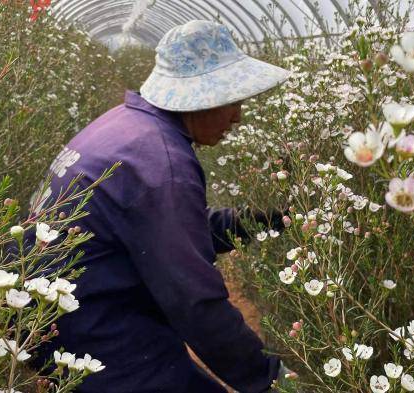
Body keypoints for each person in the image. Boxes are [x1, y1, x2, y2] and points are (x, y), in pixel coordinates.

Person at [28, 20, 291, 392]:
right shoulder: (162, 164)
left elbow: (154, 230)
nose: (238, 116)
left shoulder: (126, 125)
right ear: (200, 97)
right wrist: (270, 380)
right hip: (96, 337)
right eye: (232, 101)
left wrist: (254, 222)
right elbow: (195, 301)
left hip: (62, 322)